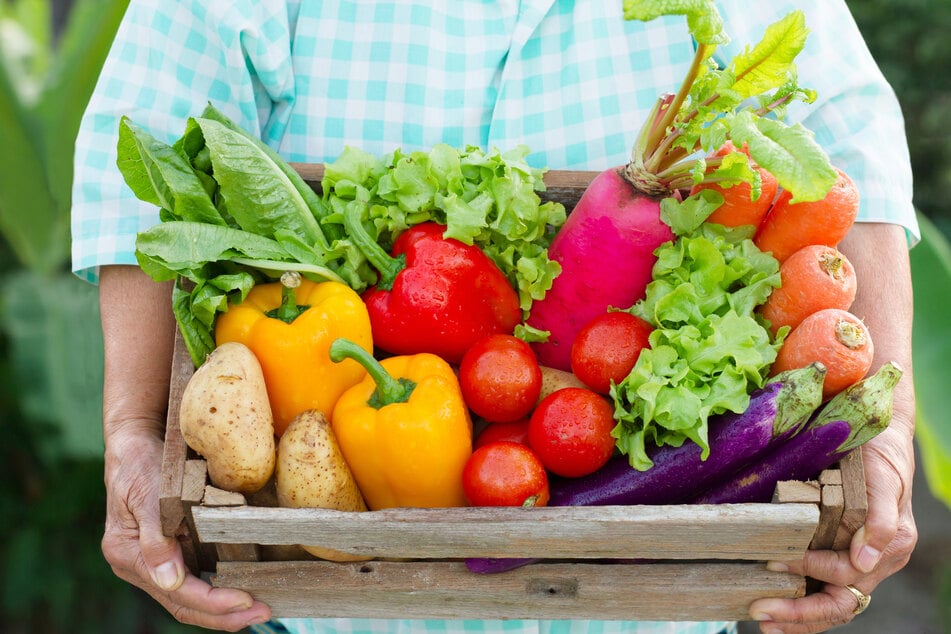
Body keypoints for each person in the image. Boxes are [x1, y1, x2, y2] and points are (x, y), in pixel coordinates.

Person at [72, 1, 918, 633]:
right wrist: (131, 432)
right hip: (338, 607)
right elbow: (143, 142)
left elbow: (848, 156)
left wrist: (884, 436)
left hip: (657, 607)